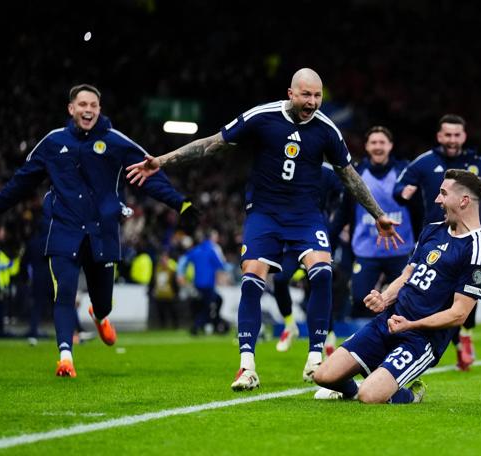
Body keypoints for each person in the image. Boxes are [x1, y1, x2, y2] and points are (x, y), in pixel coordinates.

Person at [126, 68, 402, 390]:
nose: (312, 102)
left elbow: (350, 176)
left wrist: (378, 214)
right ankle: (247, 367)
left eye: (317, 96)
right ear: (290, 93)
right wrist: (161, 161)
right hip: (265, 213)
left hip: (305, 215)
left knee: (322, 272)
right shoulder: (262, 116)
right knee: (252, 278)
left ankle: (315, 359)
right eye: (306, 95)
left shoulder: (327, 129)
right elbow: (211, 144)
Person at [0, 84, 198, 377]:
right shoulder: (53, 142)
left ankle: (100, 315)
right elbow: (21, 181)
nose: (88, 110)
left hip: (102, 233)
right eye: (82, 104)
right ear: (71, 109)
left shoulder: (116, 142)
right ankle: (65, 357)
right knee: (65, 292)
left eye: (93, 105)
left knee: (102, 301)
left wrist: (180, 204)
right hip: (64, 229)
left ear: (99, 109)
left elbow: (148, 173)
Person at [312, 169, 481, 403]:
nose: (437, 199)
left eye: (443, 193)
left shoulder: (477, 250)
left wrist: (411, 325)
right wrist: (384, 298)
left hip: (420, 339)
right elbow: (408, 274)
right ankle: (359, 387)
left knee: (369, 396)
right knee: (323, 376)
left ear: (464, 200)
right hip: (389, 321)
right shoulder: (433, 229)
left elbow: (459, 314)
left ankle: (411, 394)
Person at [393, 114, 481, 370]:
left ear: (464, 136)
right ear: (439, 136)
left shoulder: (477, 163)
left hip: (467, 241)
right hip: (434, 238)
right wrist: (403, 192)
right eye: (447, 135)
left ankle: (464, 335)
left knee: (465, 291)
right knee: (429, 291)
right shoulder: (425, 162)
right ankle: (442, 341)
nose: (452, 139)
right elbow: (400, 184)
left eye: (457, 135)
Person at [333, 126, 415, 318]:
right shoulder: (356, 172)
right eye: (374, 142)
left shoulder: (405, 172)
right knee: (360, 298)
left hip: (400, 249)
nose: (378, 146)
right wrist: (330, 240)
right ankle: (376, 330)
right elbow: (343, 211)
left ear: (390, 146)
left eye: (382, 142)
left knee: (405, 298)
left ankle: (398, 331)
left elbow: (419, 209)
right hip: (366, 249)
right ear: (367, 146)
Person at [274, 162, 343, 353]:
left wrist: (332, 220)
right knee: (279, 279)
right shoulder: (287, 165)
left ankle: (328, 335)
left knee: (318, 284)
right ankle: (290, 326)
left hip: (315, 236)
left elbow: (343, 197)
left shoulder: (328, 172)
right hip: (291, 238)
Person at [177, 230, 232, 334]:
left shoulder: (196, 250)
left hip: (198, 284)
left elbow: (183, 260)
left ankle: (213, 322)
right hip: (208, 284)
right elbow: (221, 265)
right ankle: (199, 326)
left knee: (213, 302)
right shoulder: (211, 250)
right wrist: (232, 267)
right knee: (210, 305)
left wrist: (180, 274)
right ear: (211, 238)